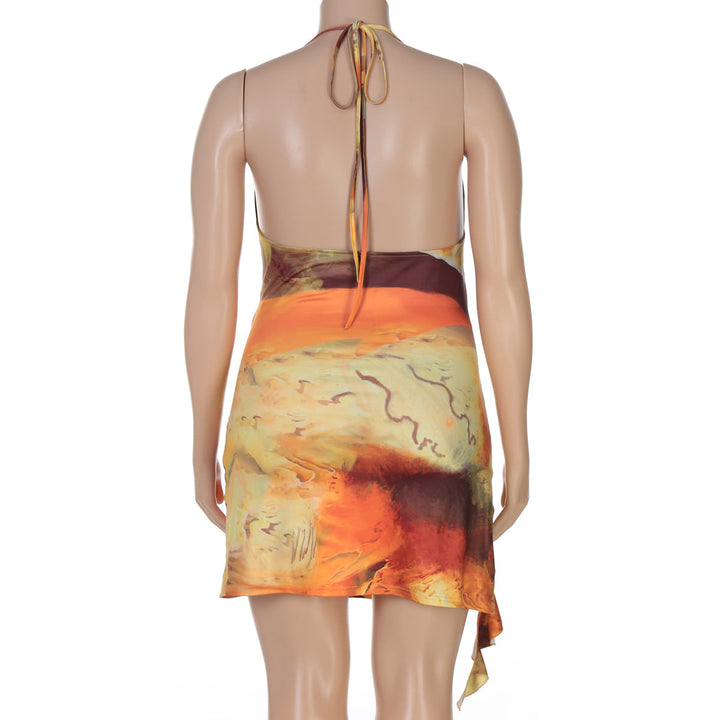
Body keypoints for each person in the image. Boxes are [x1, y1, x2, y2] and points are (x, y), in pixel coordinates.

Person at [185, 1, 531, 717]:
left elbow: (211, 289)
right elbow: (501, 283)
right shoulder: (470, 93)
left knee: (303, 684)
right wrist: (519, 441)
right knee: (417, 690)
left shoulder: (240, 100)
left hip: (288, 418)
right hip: (431, 415)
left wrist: (201, 442)